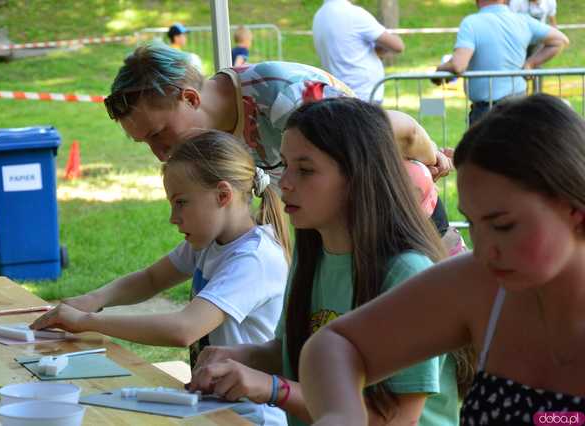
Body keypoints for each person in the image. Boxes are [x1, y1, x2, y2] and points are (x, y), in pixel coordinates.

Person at [299, 94, 585, 426]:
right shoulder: (483, 284)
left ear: (574, 209)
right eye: (474, 225)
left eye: (503, 225)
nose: (483, 250)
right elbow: (336, 345)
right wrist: (341, 415)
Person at [188, 98, 470, 426]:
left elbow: (393, 418)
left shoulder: (406, 272)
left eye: (305, 170)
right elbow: (291, 353)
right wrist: (243, 358)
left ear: (358, 177)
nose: (286, 183)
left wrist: (275, 389)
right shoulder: (314, 255)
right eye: (285, 165)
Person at [30, 130, 291, 426]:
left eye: (181, 202)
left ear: (222, 196)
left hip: (251, 417)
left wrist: (85, 322)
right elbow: (152, 279)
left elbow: (184, 329)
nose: (173, 217)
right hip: (214, 405)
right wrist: (93, 300)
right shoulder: (210, 241)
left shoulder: (254, 259)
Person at [104, 44, 452, 188]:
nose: (161, 153)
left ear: (191, 98)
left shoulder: (286, 94)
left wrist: (434, 159)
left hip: (401, 221)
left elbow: (402, 131)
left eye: (157, 133)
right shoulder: (210, 135)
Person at [433, 0, 568, 125]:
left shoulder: (471, 23)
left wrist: (440, 71)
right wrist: (530, 64)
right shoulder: (523, 20)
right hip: (519, 105)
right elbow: (560, 40)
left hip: (486, 111)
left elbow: (458, 65)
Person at [312, 0, 404, 103]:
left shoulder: (319, 15)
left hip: (337, 92)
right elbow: (397, 46)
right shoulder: (353, 13)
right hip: (363, 93)